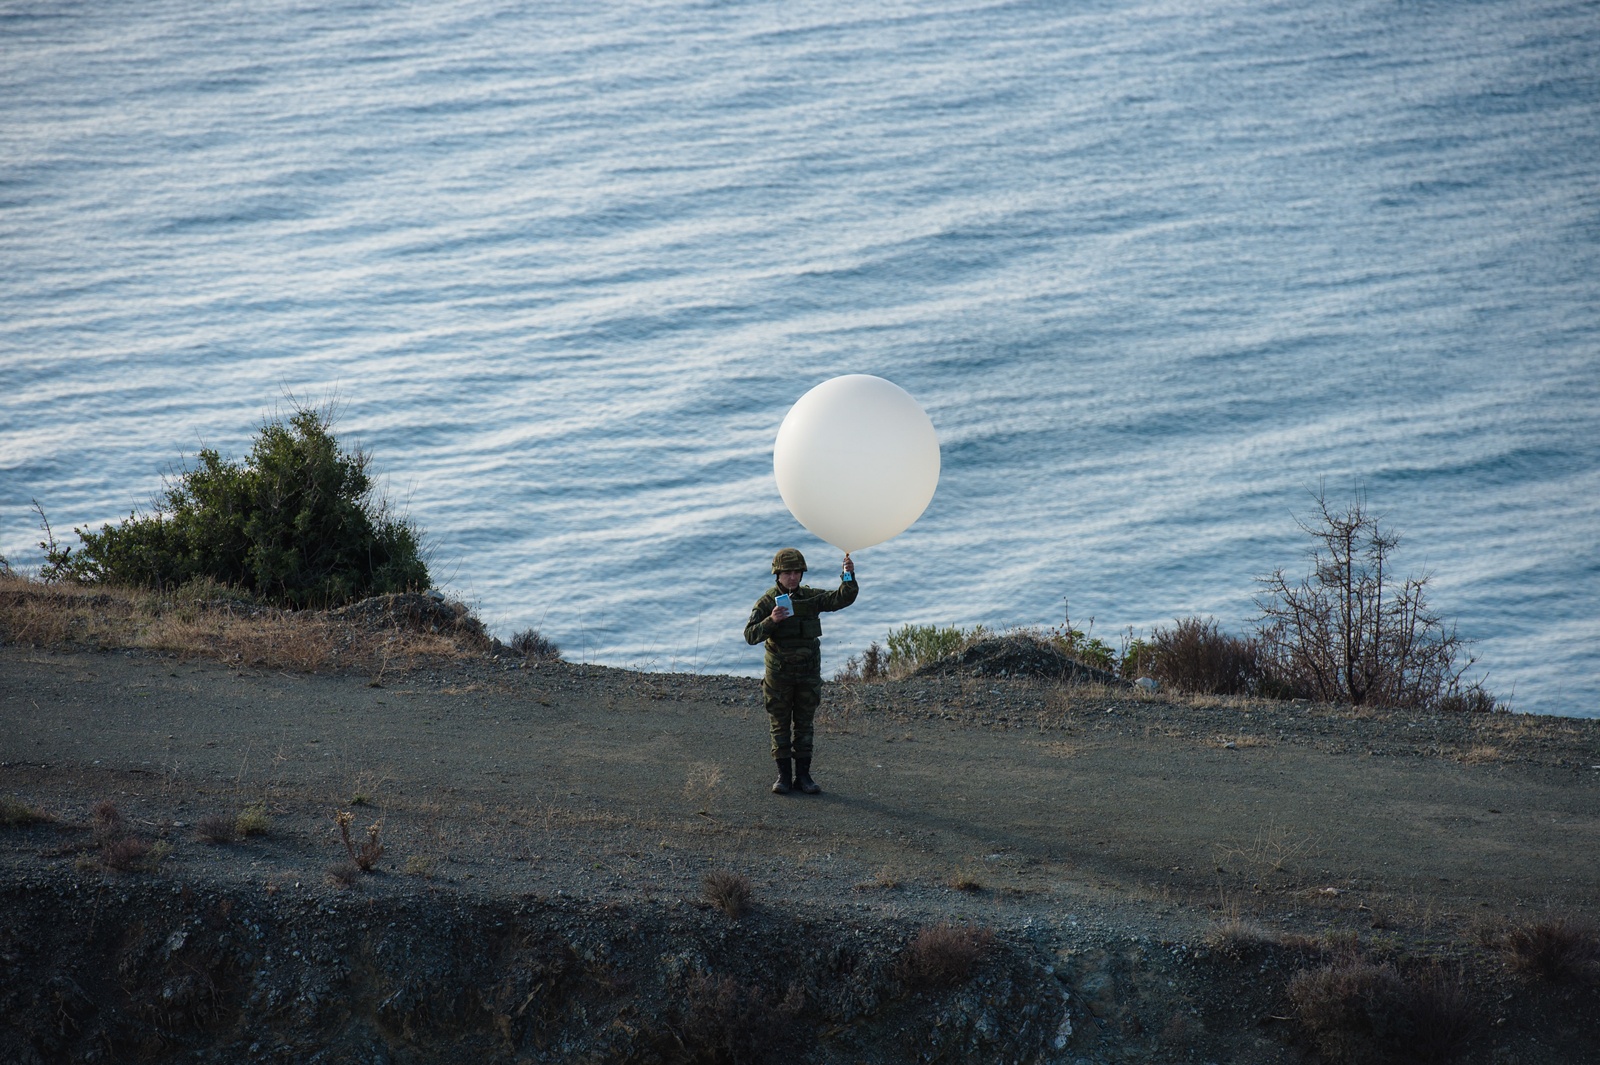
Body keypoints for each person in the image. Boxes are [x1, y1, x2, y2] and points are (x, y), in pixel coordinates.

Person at [744, 547, 858, 794]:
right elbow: (750, 635)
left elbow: (842, 598)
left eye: (797, 572)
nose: (793, 577)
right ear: (778, 574)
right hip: (779, 675)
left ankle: (804, 777)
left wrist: (848, 575)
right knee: (780, 724)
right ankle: (784, 777)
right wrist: (771, 621)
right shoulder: (766, 602)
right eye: (787, 572)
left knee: (805, 724)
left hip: (807, 674)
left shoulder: (810, 598)